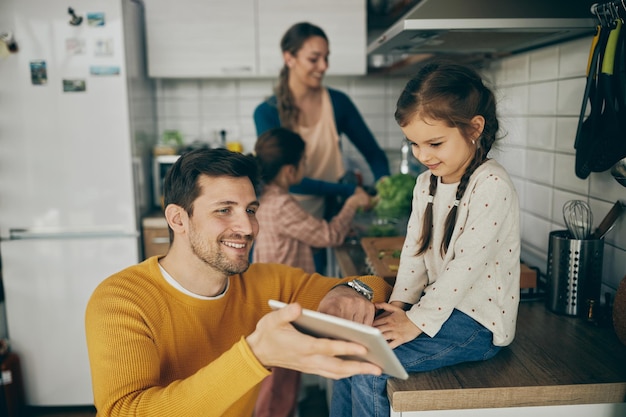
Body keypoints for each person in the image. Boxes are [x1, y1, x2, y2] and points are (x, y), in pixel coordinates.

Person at [84, 148, 392, 417]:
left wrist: (348, 292)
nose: (246, 227)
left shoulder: (265, 283)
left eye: (250, 210)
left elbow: (376, 285)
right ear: (178, 219)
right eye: (224, 210)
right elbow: (124, 412)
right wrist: (254, 356)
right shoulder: (121, 301)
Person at [329, 62, 521, 417]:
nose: (423, 155)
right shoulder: (426, 183)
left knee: (370, 366)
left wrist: (416, 322)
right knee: (347, 349)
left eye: (435, 143)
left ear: (474, 128)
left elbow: (465, 267)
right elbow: (413, 255)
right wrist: (401, 306)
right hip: (436, 310)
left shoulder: (491, 183)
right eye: (414, 143)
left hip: (476, 323)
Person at [252, 127, 372, 417]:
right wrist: (353, 204)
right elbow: (327, 236)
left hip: (272, 295)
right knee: (280, 378)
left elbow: (299, 238)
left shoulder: (267, 197)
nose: (306, 168)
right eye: (304, 162)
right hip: (285, 299)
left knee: (278, 374)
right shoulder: (281, 203)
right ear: (291, 169)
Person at [253, 21, 390, 221]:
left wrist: (385, 184)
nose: (324, 66)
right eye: (314, 59)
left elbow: (374, 154)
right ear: (289, 58)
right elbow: (282, 178)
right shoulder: (266, 113)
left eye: (326, 58)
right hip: (283, 217)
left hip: (329, 211)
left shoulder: (338, 103)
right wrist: (350, 190)